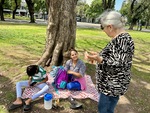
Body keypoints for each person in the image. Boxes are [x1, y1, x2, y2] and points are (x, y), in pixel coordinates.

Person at [85, 10, 134, 113]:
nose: (103, 30)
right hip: (109, 86)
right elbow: (115, 57)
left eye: (103, 27)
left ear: (110, 27)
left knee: (105, 110)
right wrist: (98, 56)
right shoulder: (120, 39)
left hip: (110, 87)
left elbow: (118, 65)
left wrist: (99, 59)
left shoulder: (123, 40)